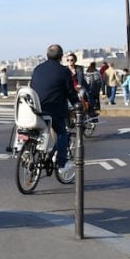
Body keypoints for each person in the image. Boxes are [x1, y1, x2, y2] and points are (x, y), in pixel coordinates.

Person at [30, 45, 80, 178]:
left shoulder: (37, 69)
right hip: (53, 110)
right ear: (61, 57)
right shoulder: (63, 71)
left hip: (35, 109)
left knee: (38, 132)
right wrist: (77, 103)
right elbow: (70, 91)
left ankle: (31, 152)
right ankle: (61, 164)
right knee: (62, 133)